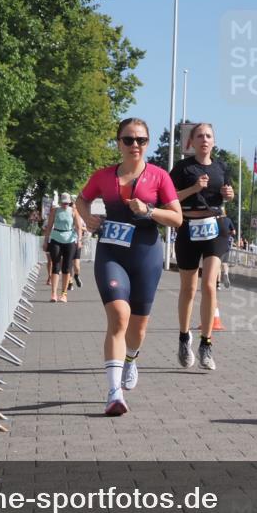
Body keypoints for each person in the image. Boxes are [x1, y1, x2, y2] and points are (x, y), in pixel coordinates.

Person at [77, 118, 182, 416]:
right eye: (128, 140)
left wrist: (149, 210)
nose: (135, 145)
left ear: (147, 143)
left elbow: (177, 219)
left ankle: (131, 359)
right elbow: (81, 200)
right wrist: (87, 218)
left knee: (137, 328)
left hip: (146, 254)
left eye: (141, 140)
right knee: (118, 317)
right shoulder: (103, 176)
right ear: (118, 142)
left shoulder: (159, 177)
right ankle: (114, 393)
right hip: (111, 253)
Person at [169, 123, 234, 370]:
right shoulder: (183, 168)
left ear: (213, 141)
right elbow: (170, 198)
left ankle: (206, 344)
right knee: (188, 288)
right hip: (188, 227)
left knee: (209, 285)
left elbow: (227, 194)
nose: (204, 139)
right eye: (199, 136)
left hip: (214, 227)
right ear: (191, 142)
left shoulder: (221, 167)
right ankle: (184, 338)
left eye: (208, 136)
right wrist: (195, 188)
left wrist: (229, 194)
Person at [43, 193, 84, 303]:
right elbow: (49, 226)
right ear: (61, 202)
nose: (65, 204)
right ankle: (53, 294)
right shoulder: (55, 210)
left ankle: (64, 294)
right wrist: (46, 240)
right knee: (55, 266)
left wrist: (79, 240)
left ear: (69, 202)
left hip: (69, 240)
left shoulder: (73, 211)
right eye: (63, 202)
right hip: (56, 238)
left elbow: (79, 227)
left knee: (66, 267)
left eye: (67, 202)